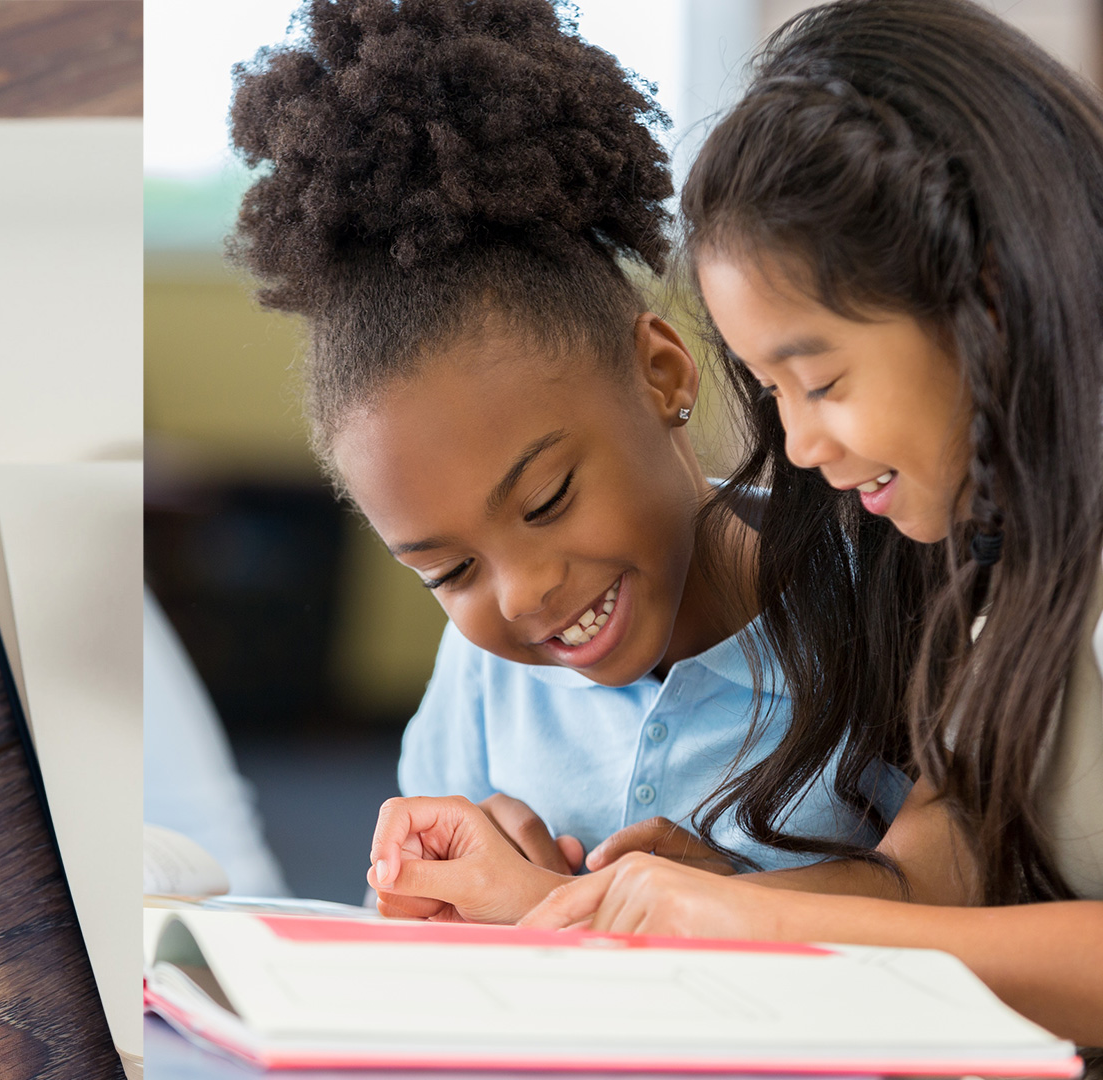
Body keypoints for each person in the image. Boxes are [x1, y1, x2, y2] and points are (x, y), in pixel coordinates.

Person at [443, 0, 1103, 1045]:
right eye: (771, 393)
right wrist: (711, 902)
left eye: (821, 380)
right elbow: (938, 880)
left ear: (986, 300)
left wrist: (749, 916)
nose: (799, 450)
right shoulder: (1000, 564)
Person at [228, 0, 906, 924]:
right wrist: (432, 905)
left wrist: (707, 906)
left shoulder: (883, 588)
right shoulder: (482, 681)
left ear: (663, 374)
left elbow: (961, 898)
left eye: (545, 500)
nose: (522, 595)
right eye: (449, 570)